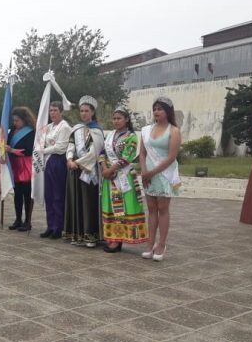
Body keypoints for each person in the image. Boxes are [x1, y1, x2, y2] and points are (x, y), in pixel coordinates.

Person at [99, 107, 148, 253]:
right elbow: (102, 153)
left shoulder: (131, 137)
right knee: (111, 208)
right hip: (109, 178)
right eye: (114, 118)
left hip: (123, 178)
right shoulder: (109, 136)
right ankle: (113, 238)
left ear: (126, 119)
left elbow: (126, 158)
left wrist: (110, 170)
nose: (116, 121)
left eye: (119, 118)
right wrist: (103, 169)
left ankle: (118, 241)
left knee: (122, 209)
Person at [139, 97, 181, 262]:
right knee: (151, 208)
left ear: (168, 111)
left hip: (165, 174)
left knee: (163, 208)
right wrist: (144, 171)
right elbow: (142, 153)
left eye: (160, 108)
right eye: (155, 108)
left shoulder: (174, 131)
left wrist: (152, 172)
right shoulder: (146, 130)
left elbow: (171, 157)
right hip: (148, 174)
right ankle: (150, 244)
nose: (156, 111)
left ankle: (161, 244)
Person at [63, 96, 105, 247]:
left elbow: (95, 152)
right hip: (74, 170)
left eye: (87, 111)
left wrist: (78, 163)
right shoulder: (76, 129)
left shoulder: (97, 131)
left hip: (89, 172)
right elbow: (71, 145)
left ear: (93, 112)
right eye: (81, 111)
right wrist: (69, 159)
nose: (84, 114)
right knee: (76, 201)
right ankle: (77, 234)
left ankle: (90, 236)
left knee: (88, 202)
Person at [39, 101, 72, 239]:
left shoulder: (64, 127)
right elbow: (43, 141)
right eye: (51, 110)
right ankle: (50, 225)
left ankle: (58, 227)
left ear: (61, 112)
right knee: (49, 195)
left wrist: (44, 150)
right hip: (47, 161)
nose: (52, 113)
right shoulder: (49, 127)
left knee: (58, 196)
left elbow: (61, 147)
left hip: (58, 161)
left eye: (55, 110)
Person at [6, 106, 36, 231]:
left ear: (24, 119)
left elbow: (29, 151)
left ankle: (27, 221)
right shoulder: (13, 130)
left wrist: (12, 150)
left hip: (26, 166)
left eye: (17, 120)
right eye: (14, 120)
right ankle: (18, 219)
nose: (15, 123)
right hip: (14, 165)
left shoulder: (31, 132)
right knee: (17, 194)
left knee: (27, 194)